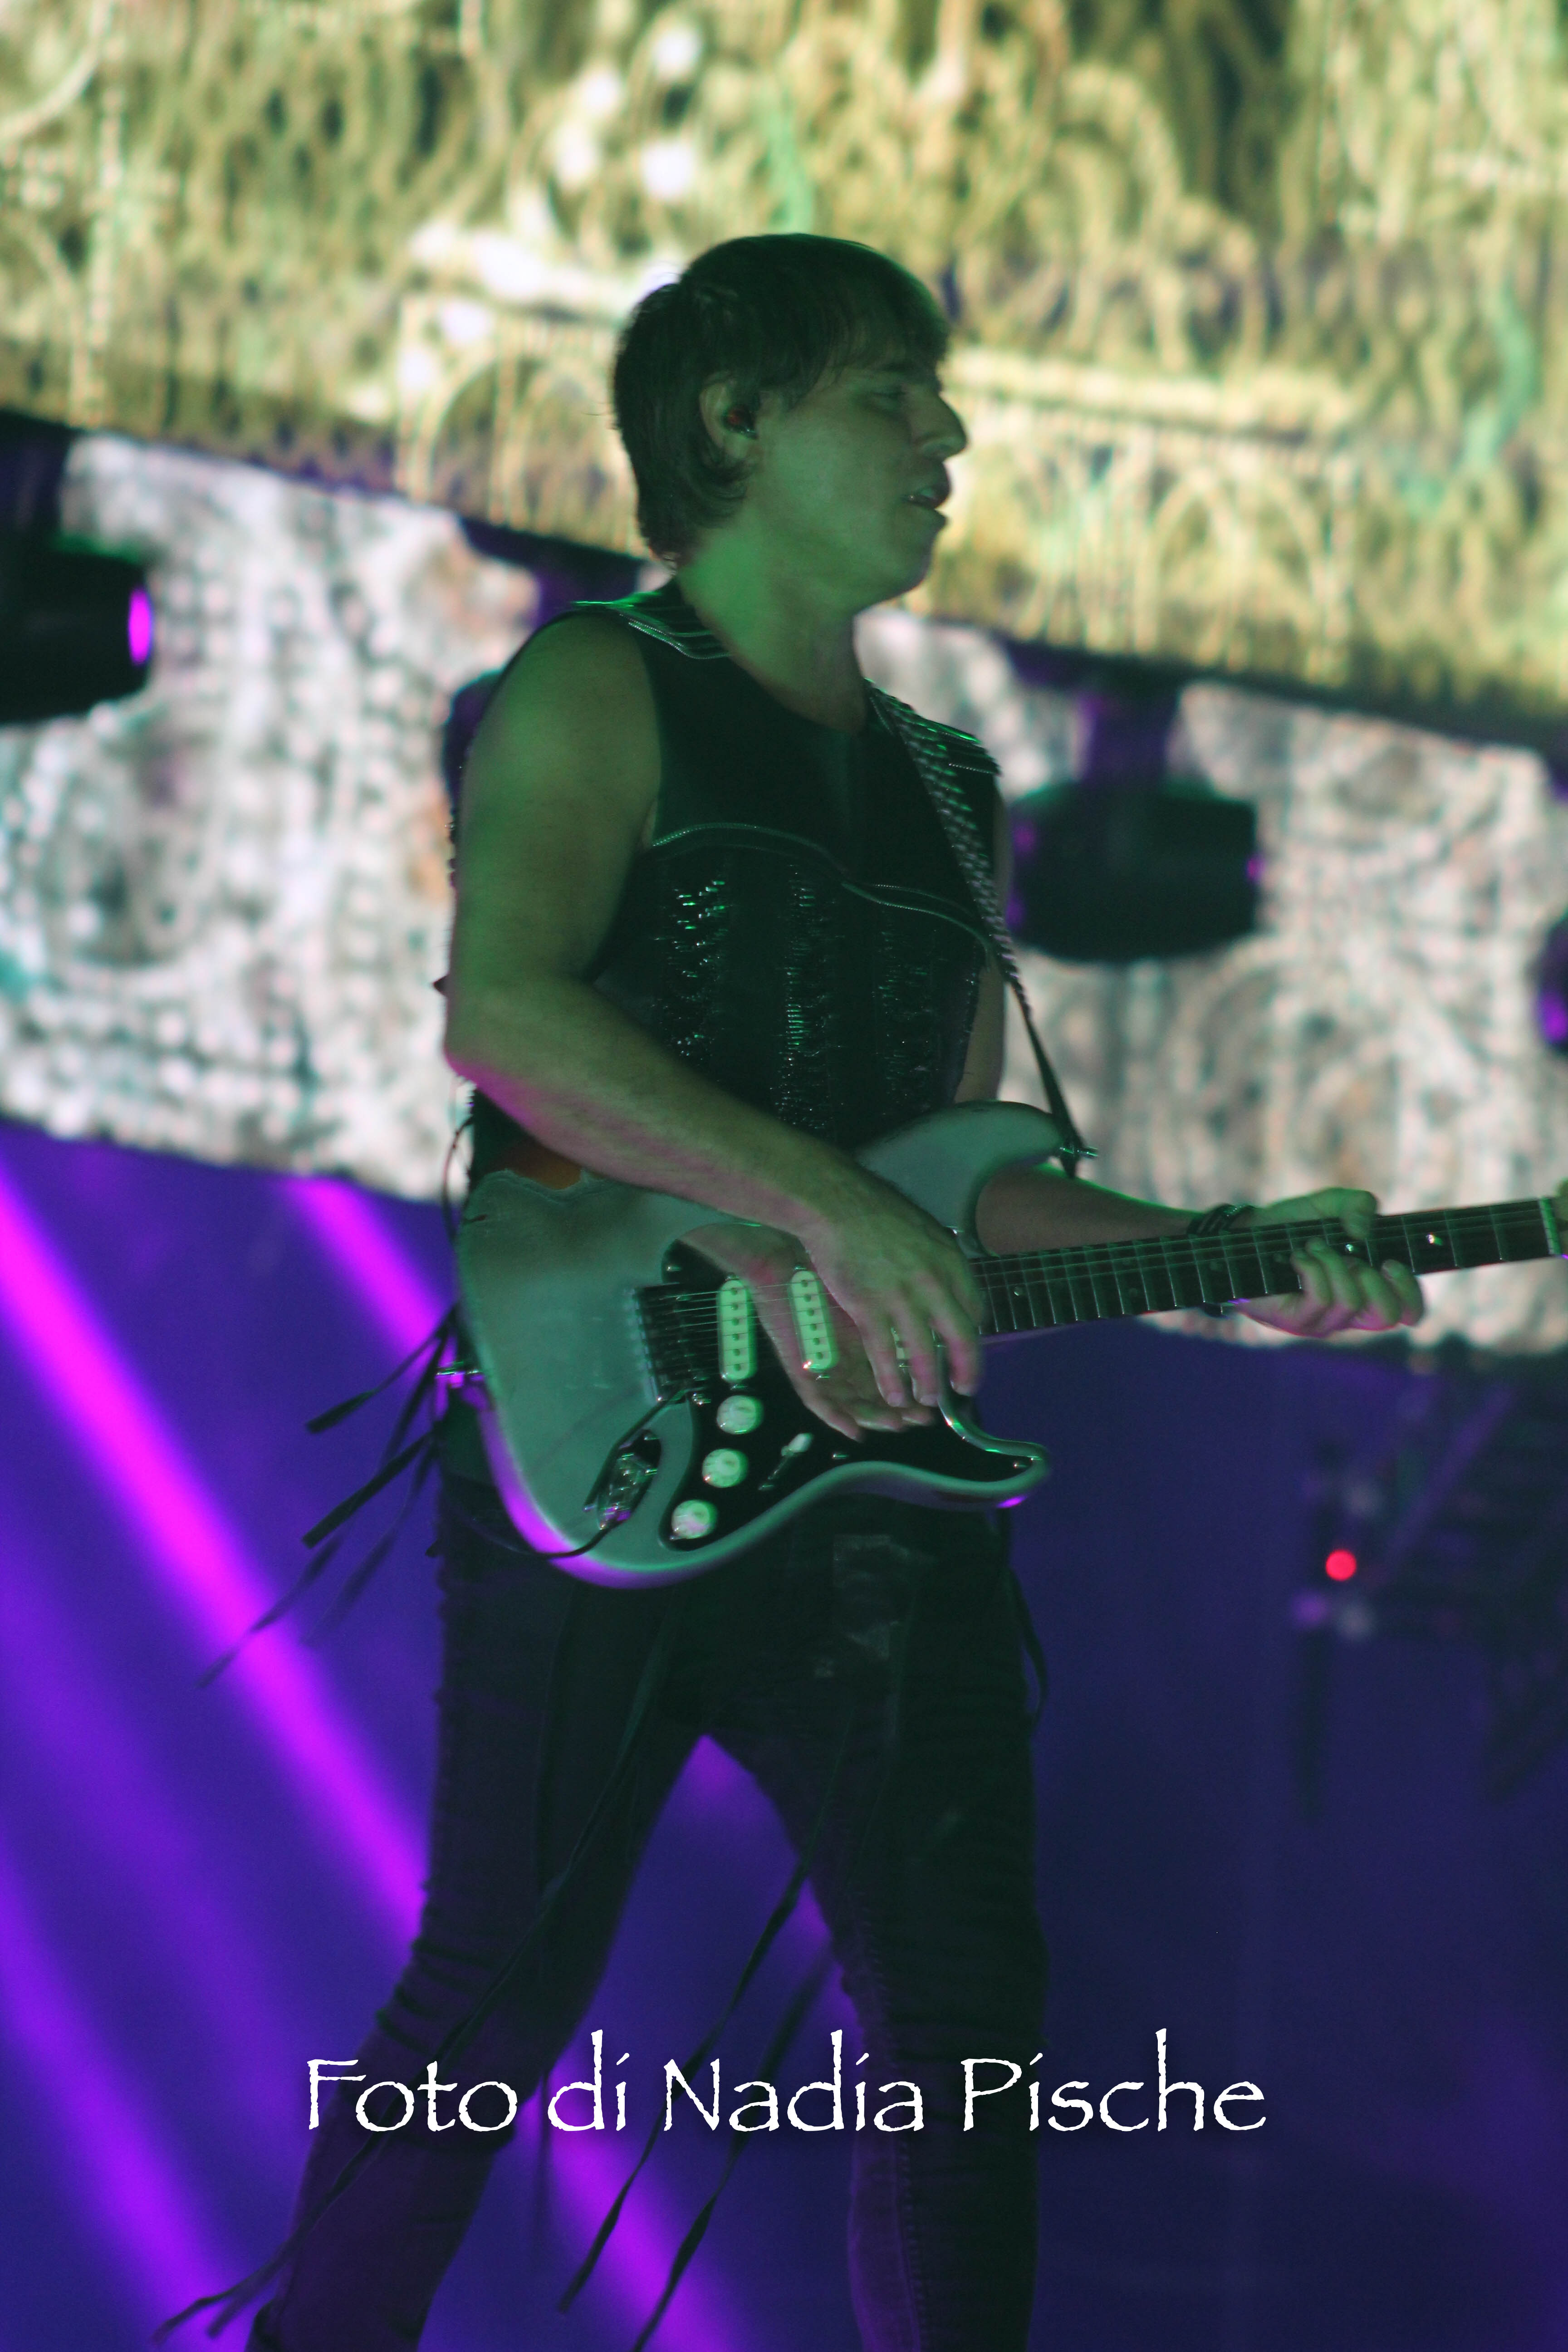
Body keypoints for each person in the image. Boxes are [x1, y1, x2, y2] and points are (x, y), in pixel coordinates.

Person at [245, 234, 1423, 2351]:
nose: (947, 435)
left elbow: (964, 1190)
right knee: (495, 1993)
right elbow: (508, 1018)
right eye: (892, 393)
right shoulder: (601, 682)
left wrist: (1240, 1258)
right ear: (734, 421)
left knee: (969, 2018)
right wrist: (819, 1211)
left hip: (873, 1477)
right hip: (609, 1417)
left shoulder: (954, 794)